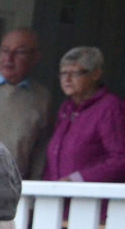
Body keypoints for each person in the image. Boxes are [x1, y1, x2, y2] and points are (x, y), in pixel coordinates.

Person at [0, 28, 50, 178]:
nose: (8, 58)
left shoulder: (41, 97)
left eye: (19, 52)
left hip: (11, 186)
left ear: (35, 57)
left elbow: (40, 151)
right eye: (4, 50)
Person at [42, 46, 125, 183]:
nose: (67, 79)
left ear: (96, 74)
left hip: (92, 200)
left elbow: (120, 159)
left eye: (75, 73)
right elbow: (53, 160)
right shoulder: (66, 109)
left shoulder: (109, 107)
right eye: (63, 73)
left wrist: (78, 179)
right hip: (58, 200)